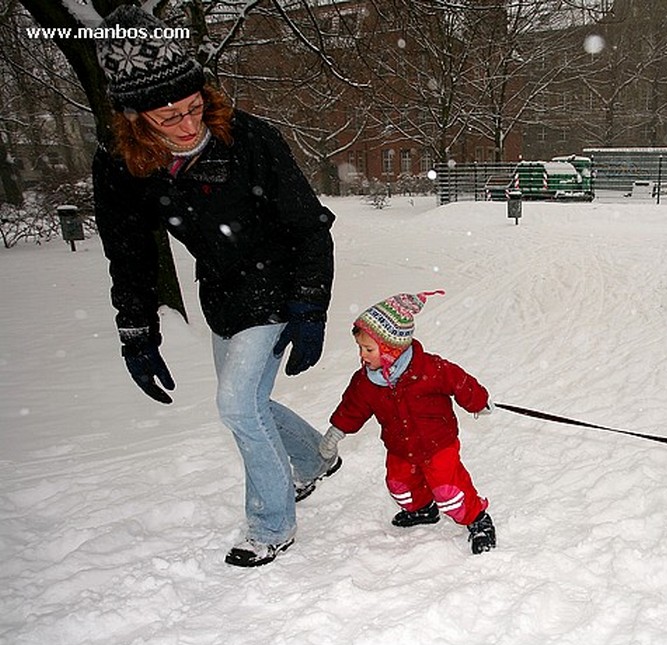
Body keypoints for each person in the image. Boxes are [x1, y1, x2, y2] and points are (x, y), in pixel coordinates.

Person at [91, 5, 339, 568]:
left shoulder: (249, 139)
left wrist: (310, 306)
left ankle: (271, 525)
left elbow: (309, 226)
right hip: (222, 295)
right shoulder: (121, 165)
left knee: (235, 405)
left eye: (193, 107)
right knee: (248, 400)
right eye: (167, 116)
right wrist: (136, 332)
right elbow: (128, 255)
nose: (186, 125)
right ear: (135, 120)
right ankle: (313, 463)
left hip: (277, 283)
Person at [318, 291, 497, 554]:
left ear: (392, 349)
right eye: (360, 348)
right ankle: (423, 509)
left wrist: (478, 401)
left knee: (449, 491)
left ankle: (477, 519)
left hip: (438, 445)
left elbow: (460, 382)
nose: (363, 355)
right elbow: (352, 408)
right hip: (400, 446)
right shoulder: (367, 381)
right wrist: (336, 431)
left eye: (369, 349)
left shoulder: (429, 369)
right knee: (400, 485)